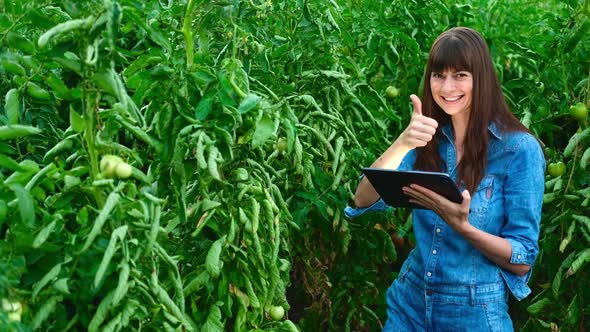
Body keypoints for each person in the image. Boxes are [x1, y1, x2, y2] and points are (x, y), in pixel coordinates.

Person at [345, 27, 545, 331]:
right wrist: (403, 142)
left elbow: (522, 258)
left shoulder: (518, 150)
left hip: (474, 311)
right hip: (410, 303)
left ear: (482, 78)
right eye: (438, 75)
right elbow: (362, 199)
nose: (447, 86)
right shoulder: (429, 140)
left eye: (460, 75)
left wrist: (462, 227)